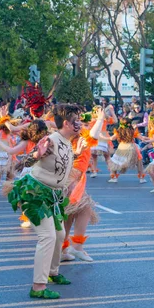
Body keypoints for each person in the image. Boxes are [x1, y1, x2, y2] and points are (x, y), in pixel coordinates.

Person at [7, 104, 85, 299]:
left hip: (51, 195)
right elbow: (26, 161)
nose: (80, 123)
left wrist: (76, 154)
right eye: (76, 120)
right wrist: (35, 155)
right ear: (67, 123)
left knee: (59, 234)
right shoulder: (49, 140)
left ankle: (52, 273)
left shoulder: (67, 141)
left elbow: (61, 162)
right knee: (48, 236)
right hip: (34, 193)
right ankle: (38, 286)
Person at [61, 109, 105, 262]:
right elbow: (92, 136)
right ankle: (77, 247)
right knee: (85, 208)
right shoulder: (77, 138)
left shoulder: (68, 136)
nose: (81, 124)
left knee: (69, 213)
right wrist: (100, 120)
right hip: (71, 176)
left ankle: (63, 249)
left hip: (73, 176)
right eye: (77, 122)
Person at [104, 118, 147, 184]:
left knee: (115, 162)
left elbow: (112, 138)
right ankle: (142, 178)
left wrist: (102, 137)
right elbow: (142, 138)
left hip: (122, 147)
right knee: (139, 162)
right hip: (132, 147)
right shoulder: (133, 131)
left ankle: (114, 178)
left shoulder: (119, 131)